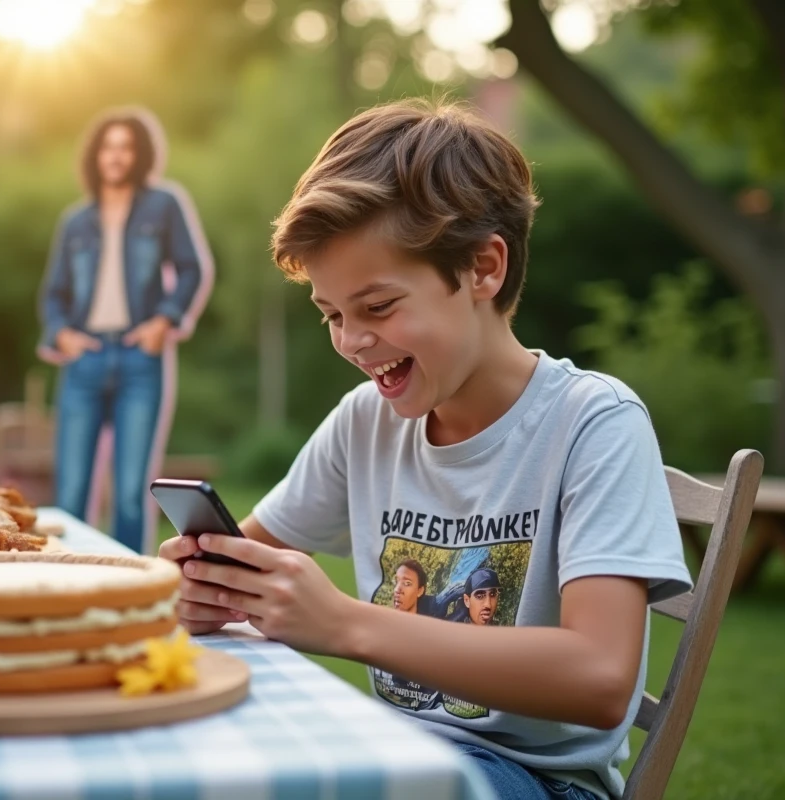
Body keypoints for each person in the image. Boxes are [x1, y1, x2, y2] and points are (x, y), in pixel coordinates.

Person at [156, 99, 691, 800]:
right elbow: (248, 563)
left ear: (482, 268)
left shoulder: (592, 422)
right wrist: (205, 589)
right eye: (332, 315)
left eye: (376, 308)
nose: (350, 340)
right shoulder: (365, 423)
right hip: (398, 755)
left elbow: (598, 678)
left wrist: (346, 622)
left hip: (537, 781)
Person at [38, 107, 212, 556]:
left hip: (140, 359)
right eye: (108, 147)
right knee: (72, 489)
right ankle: (66, 583)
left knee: (132, 491)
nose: (116, 157)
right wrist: (61, 335)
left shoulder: (164, 205)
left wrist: (164, 321)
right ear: (96, 156)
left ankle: (128, 585)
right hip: (85, 360)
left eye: (126, 147)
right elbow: (53, 294)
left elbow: (192, 269)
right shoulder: (75, 221)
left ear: (139, 155)